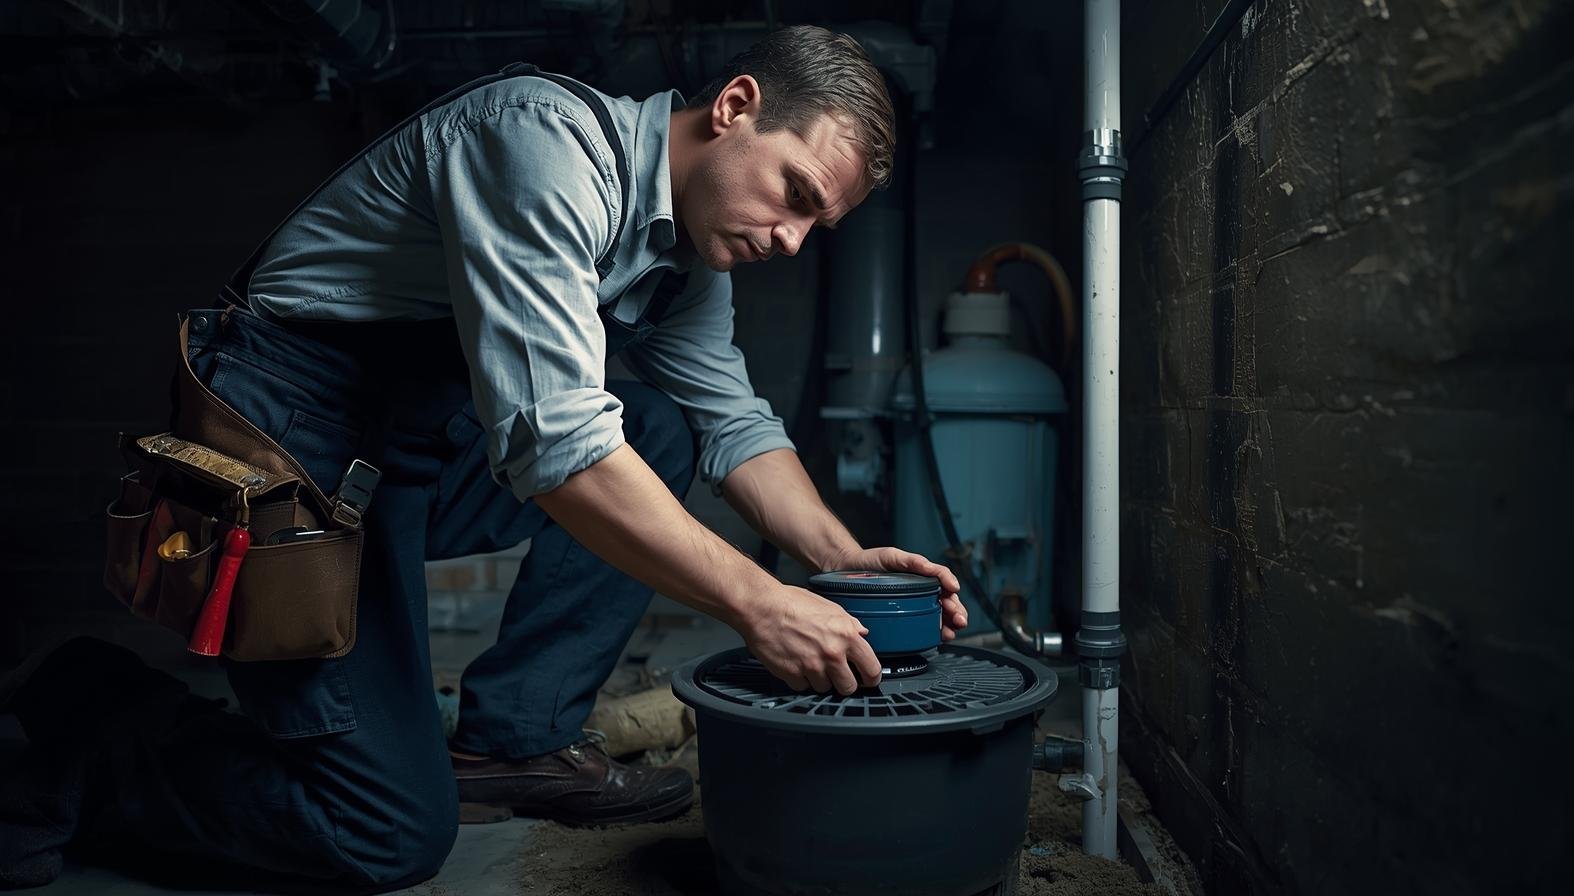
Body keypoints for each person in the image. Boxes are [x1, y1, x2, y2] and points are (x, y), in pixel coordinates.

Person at [0, 24, 967, 890]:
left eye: (816, 228)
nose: (792, 241)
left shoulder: (684, 264)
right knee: (384, 833)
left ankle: (513, 744)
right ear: (735, 106)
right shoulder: (542, 143)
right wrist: (761, 604)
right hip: (289, 428)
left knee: (659, 427)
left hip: (405, 449)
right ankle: (92, 723)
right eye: (795, 195)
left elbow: (734, 424)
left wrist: (842, 566)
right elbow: (558, 445)